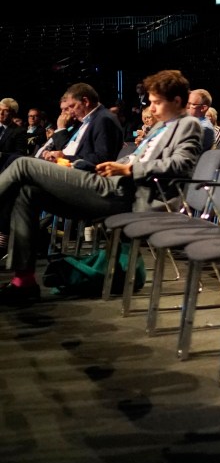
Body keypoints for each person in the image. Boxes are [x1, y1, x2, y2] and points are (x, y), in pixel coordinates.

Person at [0, 69, 204, 305]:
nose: (152, 108)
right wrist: (94, 166)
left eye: (157, 103)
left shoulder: (188, 125)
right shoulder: (161, 127)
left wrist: (129, 170)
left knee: (23, 164)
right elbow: (135, 157)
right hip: (112, 186)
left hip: (125, 195)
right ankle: (24, 281)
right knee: (27, 192)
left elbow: (182, 164)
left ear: (177, 101)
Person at [41, 83, 125, 170]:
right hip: (71, 168)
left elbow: (103, 159)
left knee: (30, 166)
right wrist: (57, 157)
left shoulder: (104, 119)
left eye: (72, 106)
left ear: (85, 102)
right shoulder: (88, 120)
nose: (71, 111)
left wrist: (65, 158)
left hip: (85, 173)